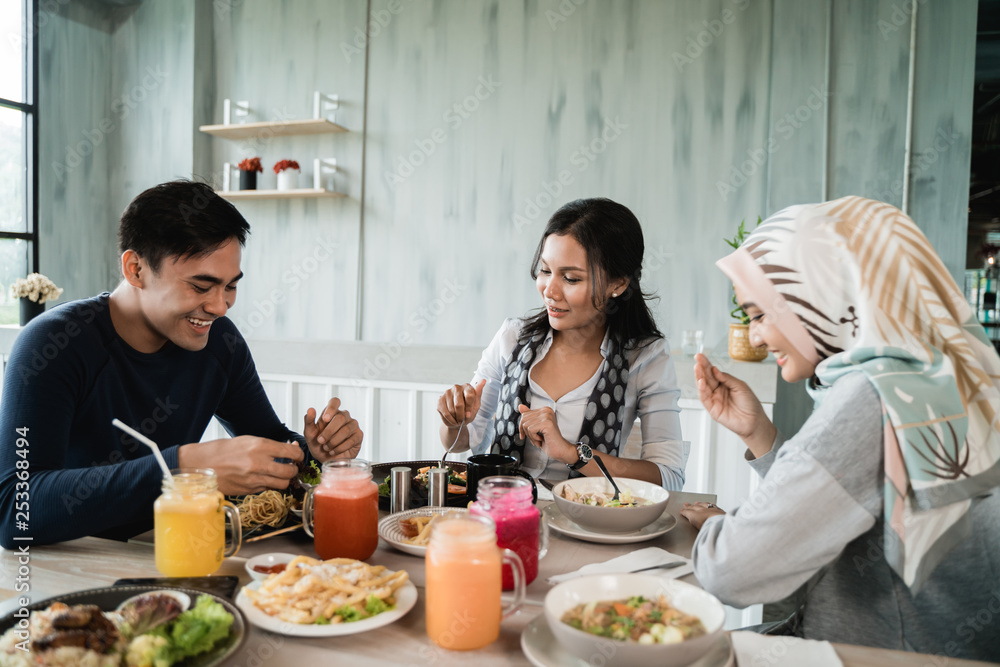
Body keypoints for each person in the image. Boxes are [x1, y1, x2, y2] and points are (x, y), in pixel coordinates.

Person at [679, 196, 1000, 659]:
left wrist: (722, 530)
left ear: (818, 299)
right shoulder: (930, 374)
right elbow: (851, 500)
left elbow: (729, 572)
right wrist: (757, 433)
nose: (755, 336)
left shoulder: (871, 394)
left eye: (761, 313)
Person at [0, 180, 363, 548]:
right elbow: (15, 510)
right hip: (72, 563)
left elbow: (270, 442)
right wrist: (182, 469)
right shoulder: (52, 345)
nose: (220, 307)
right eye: (201, 286)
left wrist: (314, 454)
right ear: (136, 269)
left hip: (171, 550)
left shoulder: (221, 342)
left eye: (230, 286)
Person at [437, 198, 685, 488]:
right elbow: (460, 443)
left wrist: (571, 453)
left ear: (617, 284)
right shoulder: (512, 338)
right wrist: (453, 422)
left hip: (588, 523)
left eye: (570, 278)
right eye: (545, 271)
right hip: (503, 513)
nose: (550, 291)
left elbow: (669, 477)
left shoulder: (645, 357)